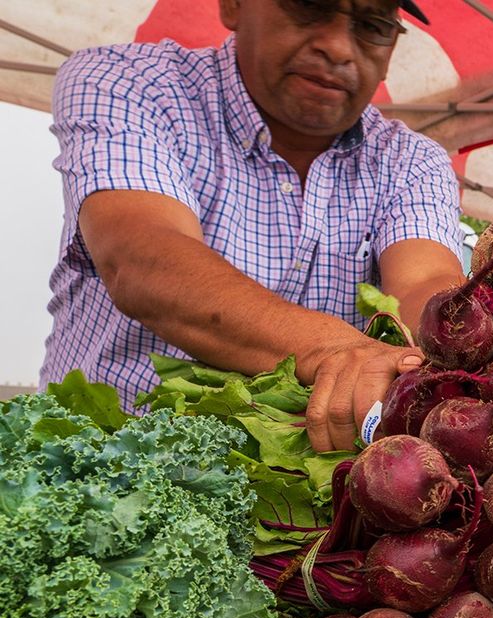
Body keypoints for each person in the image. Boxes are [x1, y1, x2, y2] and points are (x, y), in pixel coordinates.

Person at [39, 0, 464, 454]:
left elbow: (427, 286)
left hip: (291, 508)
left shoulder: (411, 160)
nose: (338, 47)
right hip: (102, 465)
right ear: (233, 5)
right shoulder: (127, 82)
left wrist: (465, 342)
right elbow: (143, 260)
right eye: (310, 7)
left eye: (373, 25)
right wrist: (334, 350)